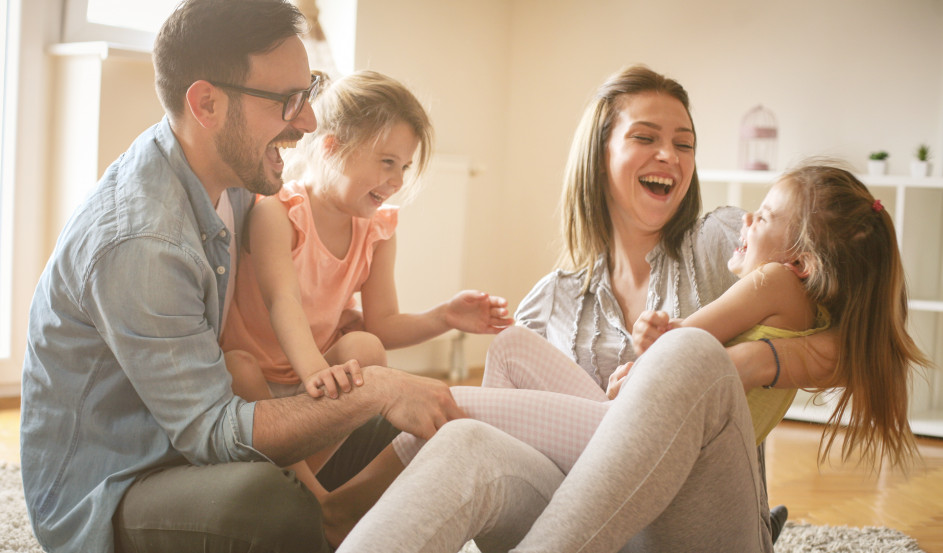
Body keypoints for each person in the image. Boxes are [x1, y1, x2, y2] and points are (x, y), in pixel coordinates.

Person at [335, 67, 924, 552]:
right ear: (600, 152)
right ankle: (332, 521)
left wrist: (750, 361)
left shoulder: (723, 244)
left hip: (698, 521)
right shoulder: (552, 298)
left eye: (684, 143)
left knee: (689, 352)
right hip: (588, 516)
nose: (669, 154)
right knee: (471, 436)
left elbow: (860, 333)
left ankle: (400, 405)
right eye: (645, 137)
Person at [19, 2, 463, 552]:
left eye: (310, 91)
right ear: (206, 103)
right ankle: (319, 520)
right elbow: (212, 433)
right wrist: (372, 388)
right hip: (121, 484)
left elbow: (288, 284)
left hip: (187, 439)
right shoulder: (143, 243)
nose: (308, 120)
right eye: (287, 102)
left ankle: (328, 519)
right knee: (268, 504)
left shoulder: (233, 179)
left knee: (397, 430)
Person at [219, 69, 512, 501]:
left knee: (367, 348)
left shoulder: (376, 229)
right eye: (387, 162)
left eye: (405, 167)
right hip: (259, 384)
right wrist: (318, 373)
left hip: (310, 380)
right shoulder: (278, 213)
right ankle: (317, 501)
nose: (397, 181)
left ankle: (309, 488)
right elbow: (283, 301)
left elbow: (384, 323)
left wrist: (446, 315)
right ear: (333, 147)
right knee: (235, 365)